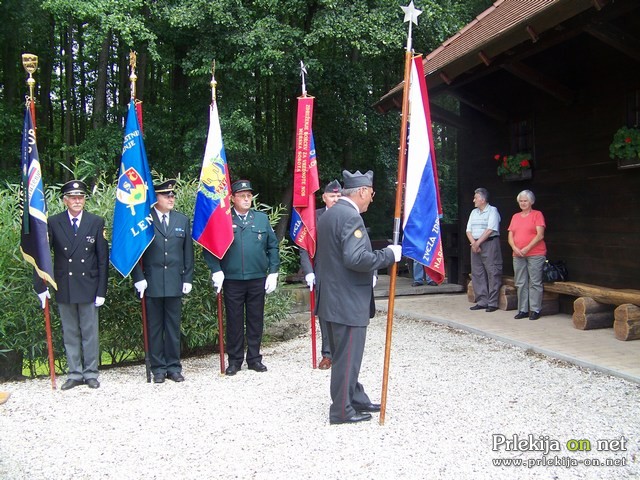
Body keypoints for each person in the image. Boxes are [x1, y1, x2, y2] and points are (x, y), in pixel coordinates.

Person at [315, 170, 402, 425]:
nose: (372, 199)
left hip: (332, 298)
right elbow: (355, 258)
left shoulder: (330, 214)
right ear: (362, 191)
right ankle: (341, 410)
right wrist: (387, 255)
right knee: (348, 355)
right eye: (371, 194)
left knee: (345, 354)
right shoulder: (351, 217)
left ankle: (354, 396)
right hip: (347, 301)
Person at [35, 180, 109, 390]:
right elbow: (42, 256)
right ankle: (75, 373)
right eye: (73, 197)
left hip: (88, 285)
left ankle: (91, 373)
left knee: (89, 332)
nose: (77, 201)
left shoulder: (96, 221)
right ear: (65, 200)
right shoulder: (53, 222)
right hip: (64, 284)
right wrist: (41, 285)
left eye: (81, 197)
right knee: (70, 333)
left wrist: (102, 290)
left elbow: (102, 258)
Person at [203, 180, 280, 376]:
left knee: (255, 320)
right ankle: (235, 360)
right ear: (233, 198)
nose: (247, 199)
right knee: (235, 321)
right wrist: (216, 269)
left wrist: (273, 271)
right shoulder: (223, 219)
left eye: (249, 195)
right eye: (242, 195)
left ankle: (254, 358)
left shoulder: (261, 219)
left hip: (256, 278)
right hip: (233, 279)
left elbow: (272, 246)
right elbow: (210, 246)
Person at [132, 180, 194, 383]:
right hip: (152, 282)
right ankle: (158, 368)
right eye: (166, 195)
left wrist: (187, 277)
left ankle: (174, 367)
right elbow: (136, 252)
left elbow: (188, 253)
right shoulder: (145, 221)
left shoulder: (181, 220)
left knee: (173, 327)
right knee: (155, 328)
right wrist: (138, 278)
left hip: (175, 281)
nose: (171, 198)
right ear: (155, 198)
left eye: (172, 195)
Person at [300, 179, 342, 370]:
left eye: (339, 196)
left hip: (344, 274)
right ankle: (327, 354)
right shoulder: (313, 218)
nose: (335, 199)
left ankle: (343, 352)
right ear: (324, 197)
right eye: (332, 196)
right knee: (325, 315)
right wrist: (308, 271)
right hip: (322, 273)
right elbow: (304, 247)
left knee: (344, 313)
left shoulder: (349, 215)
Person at [507, 190, 546, 321]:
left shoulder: (537, 214)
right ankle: (523, 309)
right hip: (517, 253)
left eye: (526, 201)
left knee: (534, 282)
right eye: (521, 201)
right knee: (520, 282)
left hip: (535, 253)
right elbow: (510, 235)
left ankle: (535, 309)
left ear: (531, 202)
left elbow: (540, 235)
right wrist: (514, 247)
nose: (523, 203)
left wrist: (527, 248)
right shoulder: (515, 216)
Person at [466, 187, 502, 313]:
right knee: (477, 272)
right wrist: (474, 243)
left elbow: (490, 229)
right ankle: (482, 301)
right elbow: (468, 230)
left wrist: (478, 243)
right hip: (475, 244)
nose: (473, 200)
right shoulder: (473, 212)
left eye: (475, 198)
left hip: (489, 243)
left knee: (492, 271)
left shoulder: (492, 211)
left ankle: (493, 302)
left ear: (482, 199)